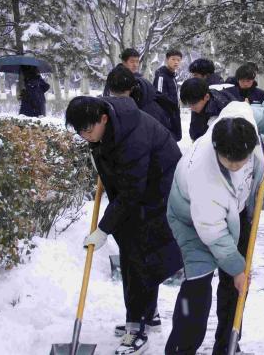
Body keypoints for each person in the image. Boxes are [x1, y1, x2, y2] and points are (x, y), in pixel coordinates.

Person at [65, 96, 183, 355]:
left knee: (139, 257)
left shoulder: (132, 139)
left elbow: (131, 192)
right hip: (144, 192)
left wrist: (104, 229)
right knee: (137, 254)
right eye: (80, 132)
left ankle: (136, 329)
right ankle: (147, 316)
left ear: (103, 119)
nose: (85, 136)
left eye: (88, 130)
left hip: (159, 194)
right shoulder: (110, 126)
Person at [165, 103, 264, 355]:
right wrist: (237, 268)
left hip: (235, 212)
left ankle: (227, 345)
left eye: (242, 160)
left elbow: (256, 112)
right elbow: (214, 234)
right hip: (192, 220)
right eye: (229, 162)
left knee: (236, 285)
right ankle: (181, 349)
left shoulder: (238, 123)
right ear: (216, 148)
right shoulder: (204, 179)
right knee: (198, 284)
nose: (236, 166)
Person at [106, 64, 174, 136]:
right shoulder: (108, 107)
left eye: (122, 96)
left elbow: (162, 138)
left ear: (131, 89)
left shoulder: (151, 111)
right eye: (113, 95)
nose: (118, 100)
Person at [154, 49, 183, 141]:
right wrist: (170, 111)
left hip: (174, 113)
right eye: (173, 59)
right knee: (167, 139)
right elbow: (159, 96)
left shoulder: (172, 76)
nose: (176, 62)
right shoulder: (161, 76)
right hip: (166, 115)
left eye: (178, 60)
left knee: (175, 137)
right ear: (167, 60)